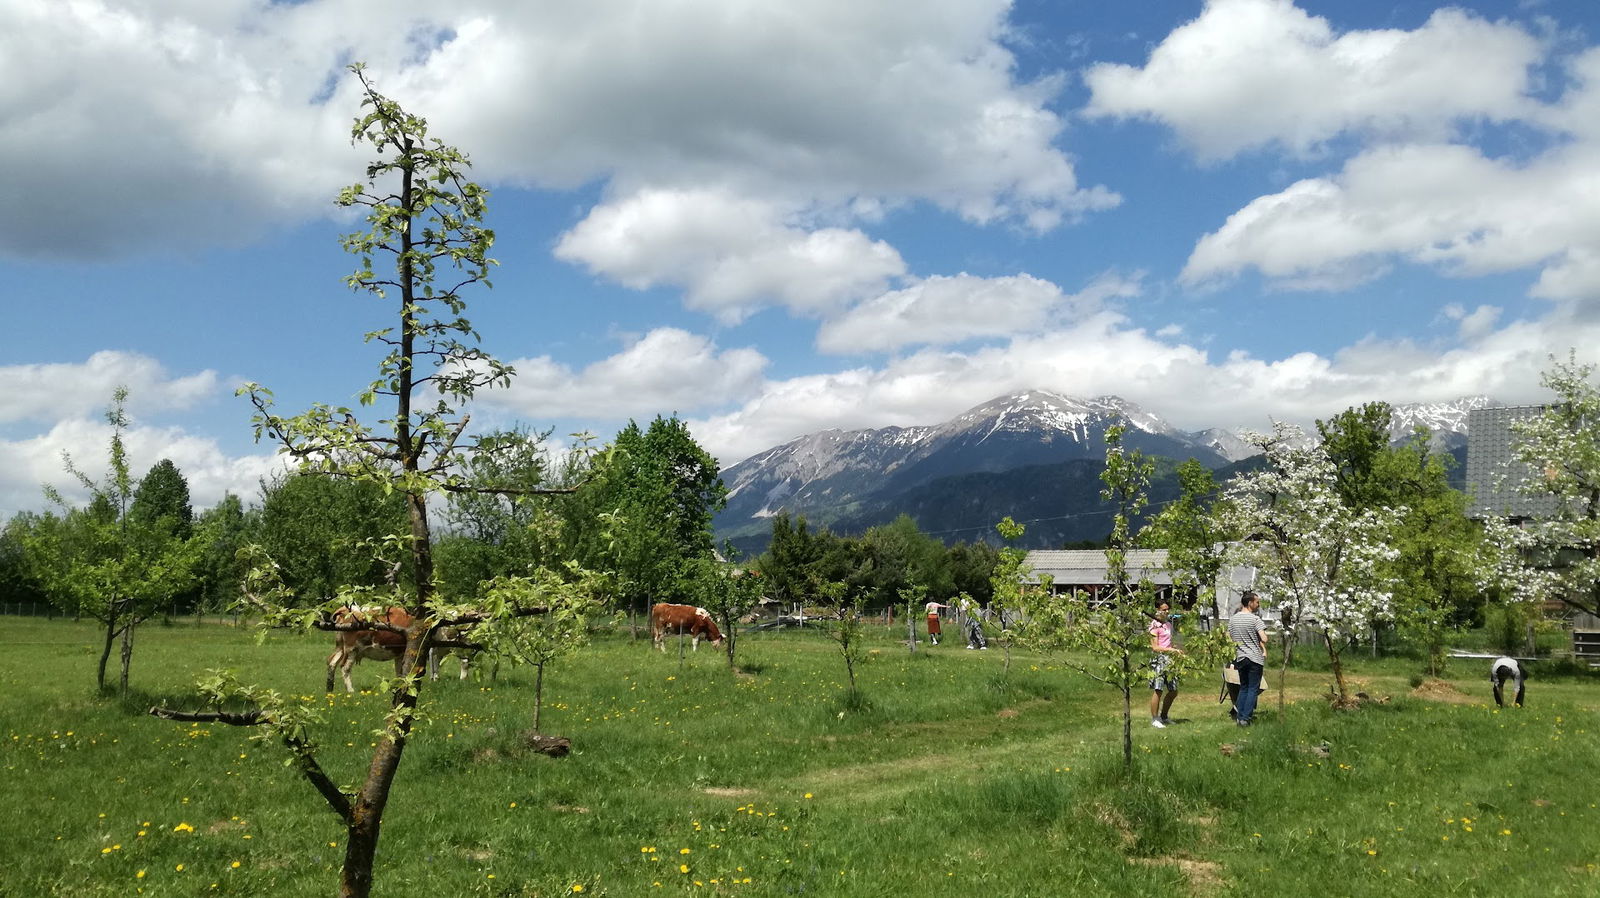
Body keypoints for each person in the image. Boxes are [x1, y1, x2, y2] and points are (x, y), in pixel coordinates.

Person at [1227, 591, 1268, 726]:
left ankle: (1239, 716)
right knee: (1252, 688)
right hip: (1254, 658)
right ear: (1250, 603)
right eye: (1257, 602)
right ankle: (1245, 718)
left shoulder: (1233, 619)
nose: (1258, 605)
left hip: (1240, 657)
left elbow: (1229, 637)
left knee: (1243, 687)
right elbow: (1264, 638)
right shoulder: (1255, 619)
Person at [1148, 600, 1182, 727]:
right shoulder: (1154, 626)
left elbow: (1168, 642)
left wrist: (1175, 649)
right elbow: (1155, 647)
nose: (1166, 612)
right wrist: (1171, 650)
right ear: (1157, 610)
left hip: (1169, 659)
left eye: (1167, 609)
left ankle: (1164, 716)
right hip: (1159, 659)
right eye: (1163, 609)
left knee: (1173, 690)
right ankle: (1155, 719)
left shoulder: (1168, 624)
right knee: (1158, 689)